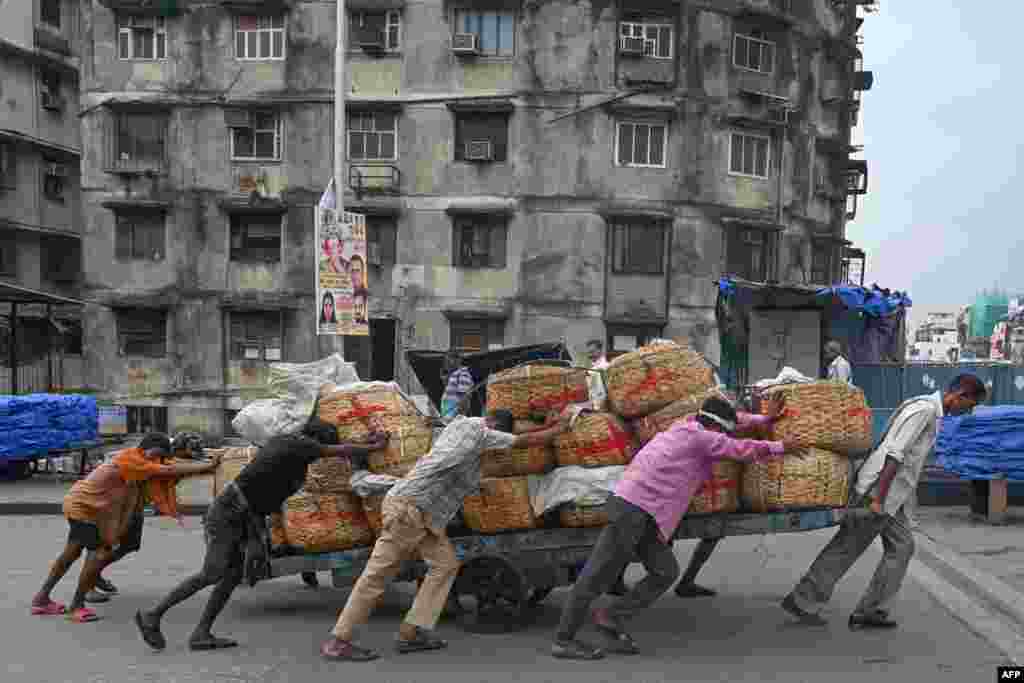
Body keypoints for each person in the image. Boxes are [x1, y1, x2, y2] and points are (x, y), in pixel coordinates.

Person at [550, 394, 803, 660]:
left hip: (645, 512)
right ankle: (563, 640)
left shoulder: (687, 424)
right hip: (632, 509)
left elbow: (736, 420)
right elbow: (740, 449)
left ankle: (610, 617)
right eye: (724, 431)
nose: (726, 434)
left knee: (665, 571)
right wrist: (781, 446)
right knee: (596, 575)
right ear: (716, 428)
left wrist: (764, 418)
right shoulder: (703, 438)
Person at [320, 407, 573, 662]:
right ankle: (339, 640)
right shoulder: (479, 431)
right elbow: (524, 440)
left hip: (424, 515)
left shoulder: (461, 428)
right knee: (377, 575)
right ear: (493, 425)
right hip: (409, 509)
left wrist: (545, 425)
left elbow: (517, 435)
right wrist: (561, 427)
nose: (497, 446)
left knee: (445, 565)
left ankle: (413, 632)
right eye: (499, 435)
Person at [135, 418, 389, 652]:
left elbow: (260, 499)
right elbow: (338, 451)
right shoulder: (298, 447)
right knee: (212, 573)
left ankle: (201, 633)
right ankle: (152, 615)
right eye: (321, 448)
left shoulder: (290, 450)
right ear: (314, 440)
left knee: (232, 575)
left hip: (243, 513)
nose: (320, 456)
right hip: (228, 514)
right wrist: (374, 446)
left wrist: (257, 540)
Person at [781, 373, 987, 630]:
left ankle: (872, 609)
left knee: (902, 547)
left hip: (892, 496)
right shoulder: (924, 411)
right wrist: (878, 499)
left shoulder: (930, 411)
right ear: (959, 395)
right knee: (848, 546)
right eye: (971, 405)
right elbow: (894, 455)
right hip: (878, 492)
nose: (970, 411)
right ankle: (805, 600)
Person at [31, 433, 220, 624]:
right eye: (155, 453)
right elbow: (166, 470)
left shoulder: (137, 457)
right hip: (85, 508)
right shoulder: (133, 461)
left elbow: (169, 465)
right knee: (96, 555)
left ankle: (42, 599)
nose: (156, 458)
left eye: (160, 455)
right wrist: (209, 467)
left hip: (84, 505)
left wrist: (203, 461)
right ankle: (76, 606)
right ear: (145, 448)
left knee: (72, 554)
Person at [86, 432, 206, 605]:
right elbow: (171, 470)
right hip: (114, 506)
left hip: (133, 506)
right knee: (102, 547)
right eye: (184, 456)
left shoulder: (161, 457)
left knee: (129, 545)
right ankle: (88, 586)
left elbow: (175, 469)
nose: (184, 460)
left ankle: (95, 574)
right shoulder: (148, 458)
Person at [440, 351, 474, 419]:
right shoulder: (454, 374)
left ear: (458, 360)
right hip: (448, 415)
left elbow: (465, 398)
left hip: (454, 417)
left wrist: (457, 416)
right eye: (445, 361)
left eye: (448, 361)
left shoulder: (463, 374)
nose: (446, 364)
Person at [585, 339, 610, 411]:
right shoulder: (592, 368)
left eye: (592, 352)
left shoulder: (605, 367)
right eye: (588, 352)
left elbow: (603, 391)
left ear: (600, 351)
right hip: (594, 406)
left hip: (602, 407)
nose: (590, 355)